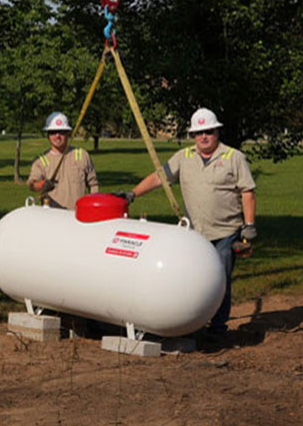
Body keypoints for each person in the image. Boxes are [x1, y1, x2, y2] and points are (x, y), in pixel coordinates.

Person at [118, 107, 257, 335]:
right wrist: (133, 194)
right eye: (199, 132)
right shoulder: (184, 157)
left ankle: (217, 326)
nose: (204, 137)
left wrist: (249, 225)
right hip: (195, 233)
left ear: (217, 132)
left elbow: (247, 192)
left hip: (225, 232)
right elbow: (159, 177)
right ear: (193, 135)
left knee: (218, 279)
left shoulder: (234, 158)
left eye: (209, 132)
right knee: (191, 278)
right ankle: (192, 321)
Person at [27, 111, 98, 209]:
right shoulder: (41, 161)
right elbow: (31, 184)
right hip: (53, 217)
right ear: (48, 135)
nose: (57, 136)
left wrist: (92, 207)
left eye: (61, 132)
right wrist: (41, 185)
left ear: (68, 133)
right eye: (53, 132)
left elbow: (93, 185)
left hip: (77, 215)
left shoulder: (82, 155)